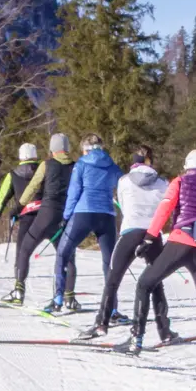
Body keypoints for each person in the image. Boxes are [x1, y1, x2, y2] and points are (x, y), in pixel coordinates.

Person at [115, 149, 196, 368]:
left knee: (145, 284)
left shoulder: (180, 182)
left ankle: (136, 339)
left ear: (187, 165)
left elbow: (164, 210)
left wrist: (149, 238)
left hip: (180, 243)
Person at [78, 146, 175, 341]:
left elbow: (123, 204)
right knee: (155, 282)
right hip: (153, 235)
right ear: (150, 161)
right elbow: (165, 208)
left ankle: (101, 324)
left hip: (131, 232)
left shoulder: (124, 181)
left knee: (113, 279)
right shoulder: (163, 182)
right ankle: (164, 331)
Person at [46, 134, 123, 313]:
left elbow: (74, 192)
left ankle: (58, 298)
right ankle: (112, 309)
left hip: (84, 213)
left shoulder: (81, 164)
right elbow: (122, 185)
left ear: (85, 149)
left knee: (62, 253)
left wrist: (66, 218)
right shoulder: (111, 165)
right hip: (106, 215)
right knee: (108, 262)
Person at [8, 133, 77, 306]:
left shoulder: (46, 165)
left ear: (52, 148)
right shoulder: (76, 167)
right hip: (64, 218)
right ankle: (69, 297)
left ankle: (19, 290)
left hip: (45, 215)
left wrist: (18, 207)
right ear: (67, 148)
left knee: (25, 250)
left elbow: (33, 187)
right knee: (68, 257)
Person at [0, 144, 42, 272]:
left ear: (21, 157)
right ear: (35, 155)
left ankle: (19, 276)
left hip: (26, 217)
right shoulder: (44, 170)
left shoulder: (13, 175)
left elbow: (1, 199)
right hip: (44, 215)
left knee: (21, 250)